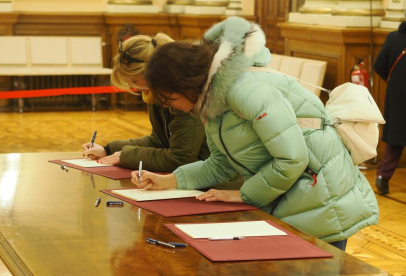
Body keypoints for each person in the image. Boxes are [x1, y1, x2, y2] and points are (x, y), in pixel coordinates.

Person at [131, 17, 379, 251]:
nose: (169, 106)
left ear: (186, 83)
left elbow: (292, 159)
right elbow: (220, 164)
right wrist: (169, 180)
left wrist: (244, 194)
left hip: (322, 201)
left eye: (169, 98)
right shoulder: (213, 101)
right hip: (296, 198)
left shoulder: (244, 91)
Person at [82, 33, 210, 172]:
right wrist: (109, 149)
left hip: (209, 183)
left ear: (150, 73)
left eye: (134, 81)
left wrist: (126, 156)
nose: (133, 88)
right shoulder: (155, 93)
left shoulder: (183, 98)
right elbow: (159, 141)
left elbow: (179, 158)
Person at [374, 14, 406, 195]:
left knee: (394, 141)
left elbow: (379, 65)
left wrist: (393, 81)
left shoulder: (393, 38)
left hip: (397, 96)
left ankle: (382, 177)